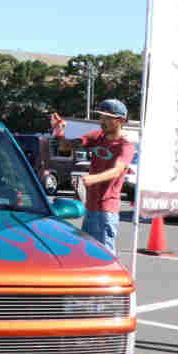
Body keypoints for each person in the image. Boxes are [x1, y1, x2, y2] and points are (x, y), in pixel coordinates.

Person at [49, 100, 135, 254]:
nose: (102, 121)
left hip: (107, 210)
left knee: (105, 257)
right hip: (90, 208)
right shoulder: (97, 137)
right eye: (101, 117)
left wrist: (92, 179)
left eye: (107, 118)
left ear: (120, 121)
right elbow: (66, 146)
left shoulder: (125, 146)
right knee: (87, 254)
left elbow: (117, 171)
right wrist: (59, 130)